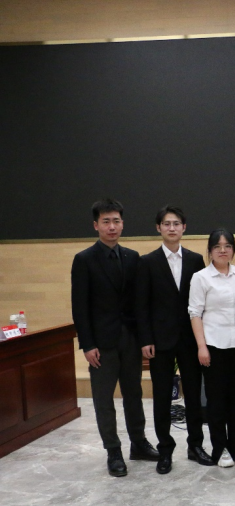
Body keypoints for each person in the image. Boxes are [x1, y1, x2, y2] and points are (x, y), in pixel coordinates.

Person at [71, 198, 159, 478]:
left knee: (134, 394)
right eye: (106, 221)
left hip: (130, 339)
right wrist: (87, 344)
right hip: (101, 344)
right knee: (103, 399)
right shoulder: (84, 260)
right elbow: (79, 307)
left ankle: (139, 443)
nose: (112, 226)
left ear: (123, 224)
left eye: (116, 221)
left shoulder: (132, 257)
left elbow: (139, 303)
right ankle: (113, 450)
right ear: (96, 225)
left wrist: (144, 338)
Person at [136, 205, 212, 474]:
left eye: (176, 223)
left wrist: (203, 339)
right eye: (167, 224)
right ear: (159, 228)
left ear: (184, 228)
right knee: (161, 397)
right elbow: (141, 305)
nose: (172, 228)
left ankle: (195, 446)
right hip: (159, 341)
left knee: (193, 394)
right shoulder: (147, 262)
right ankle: (165, 450)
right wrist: (145, 339)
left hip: (190, 340)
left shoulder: (195, 260)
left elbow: (202, 303)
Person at [189, 229, 235, 468]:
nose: (222, 250)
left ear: (234, 250)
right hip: (213, 345)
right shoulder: (201, 277)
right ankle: (220, 448)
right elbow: (195, 313)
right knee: (216, 400)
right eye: (217, 246)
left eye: (227, 246)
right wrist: (201, 347)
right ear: (209, 251)